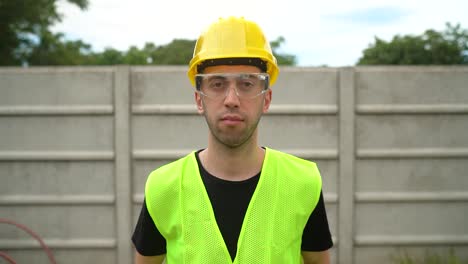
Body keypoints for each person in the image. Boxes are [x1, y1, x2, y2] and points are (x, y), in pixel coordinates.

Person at [132, 16, 333, 264]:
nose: (232, 99)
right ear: (199, 99)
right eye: (217, 84)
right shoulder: (163, 188)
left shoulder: (303, 182)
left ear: (266, 99)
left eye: (247, 83)